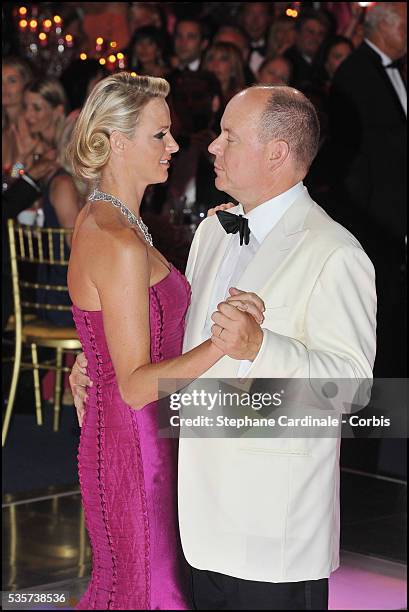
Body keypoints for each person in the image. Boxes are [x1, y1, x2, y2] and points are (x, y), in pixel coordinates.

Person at [71, 84, 377, 609]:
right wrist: (99, 353)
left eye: (229, 136)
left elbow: (351, 391)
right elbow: (178, 335)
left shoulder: (335, 252)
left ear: (277, 152)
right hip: (191, 513)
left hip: (269, 530)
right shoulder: (214, 230)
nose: (210, 147)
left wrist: (261, 346)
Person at [66, 72, 263, 610]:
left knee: (129, 590)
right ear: (116, 141)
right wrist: (225, 342)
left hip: (136, 437)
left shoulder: (114, 222)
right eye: (160, 135)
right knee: (145, 594)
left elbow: (129, 336)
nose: (174, 146)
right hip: (136, 447)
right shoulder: (117, 239)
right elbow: (133, 386)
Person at [328, 1, 406, 378]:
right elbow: (355, 155)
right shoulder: (356, 72)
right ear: (382, 26)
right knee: (380, 316)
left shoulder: (392, 71)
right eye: (405, 26)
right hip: (375, 217)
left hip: (390, 214)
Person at [2, 56, 33, 175]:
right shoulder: (7, 129)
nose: (4, 87)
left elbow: (20, 177)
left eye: (12, 80)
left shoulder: (30, 129)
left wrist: (20, 159)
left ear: (26, 85)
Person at [285, 9, 330, 91]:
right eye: (310, 32)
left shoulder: (325, 63)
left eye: (321, 34)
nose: (315, 38)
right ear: (297, 33)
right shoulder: (287, 62)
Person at [202, 42, 246, 108]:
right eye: (211, 58)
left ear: (234, 67)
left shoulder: (242, 98)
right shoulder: (195, 96)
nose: (215, 64)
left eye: (223, 59)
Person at [239, 2, 273, 73]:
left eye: (261, 14)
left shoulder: (275, 48)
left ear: (269, 18)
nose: (255, 21)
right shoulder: (233, 45)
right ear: (241, 17)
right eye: (250, 14)